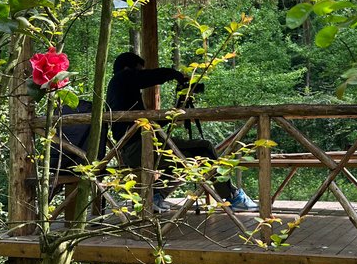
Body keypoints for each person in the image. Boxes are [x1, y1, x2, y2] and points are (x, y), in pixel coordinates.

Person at [105, 52, 257, 213]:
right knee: (204, 149)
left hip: (134, 148)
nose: (140, 74)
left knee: (184, 162)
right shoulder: (122, 78)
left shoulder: (120, 90)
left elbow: (149, 123)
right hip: (138, 148)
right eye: (138, 70)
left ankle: (155, 195)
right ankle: (232, 196)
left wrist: (176, 110)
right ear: (128, 68)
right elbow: (149, 78)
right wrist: (174, 74)